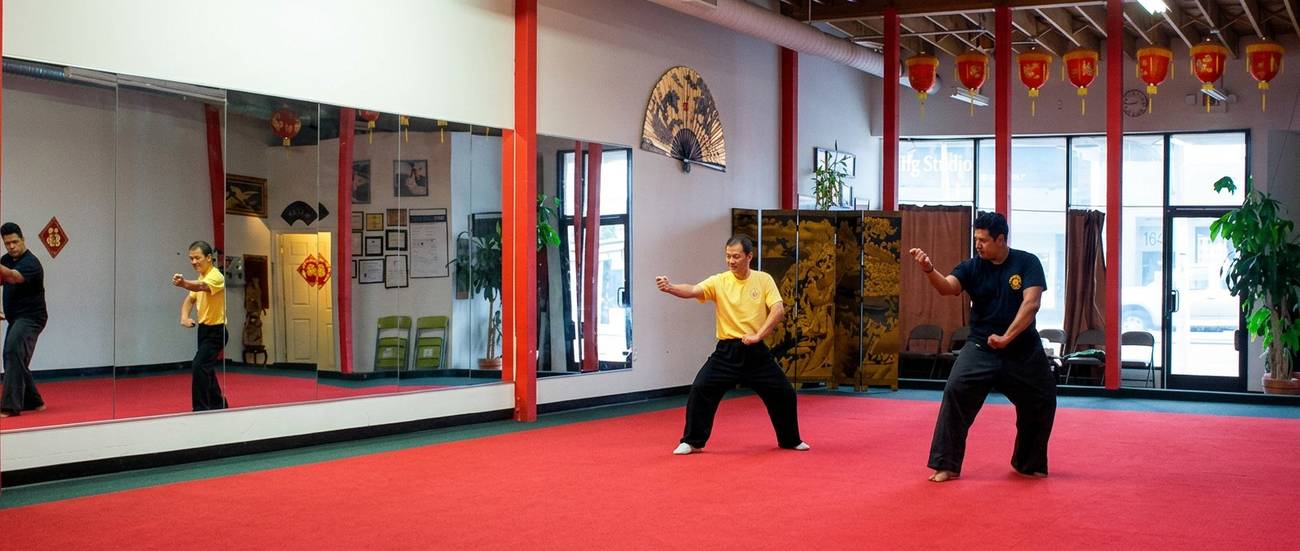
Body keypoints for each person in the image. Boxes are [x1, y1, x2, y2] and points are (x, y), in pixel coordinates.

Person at [909, 212, 1056, 482]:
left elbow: (1031, 304)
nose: (978, 245)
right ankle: (947, 464)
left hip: (1022, 347)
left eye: (983, 240)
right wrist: (930, 270)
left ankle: (1028, 462)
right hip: (980, 346)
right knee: (955, 392)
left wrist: (1007, 337)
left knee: (1042, 399)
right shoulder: (972, 266)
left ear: (1001, 239)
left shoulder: (1027, 262)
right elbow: (948, 288)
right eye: (976, 239)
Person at [656, 234, 809, 455]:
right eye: (728, 256)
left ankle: (790, 440)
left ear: (749, 256)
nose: (731, 261)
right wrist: (670, 287)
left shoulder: (763, 279)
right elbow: (692, 290)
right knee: (701, 388)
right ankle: (693, 441)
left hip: (756, 352)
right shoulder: (719, 281)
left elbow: (778, 310)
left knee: (784, 393)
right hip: (726, 352)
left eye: (736, 256)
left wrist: (758, 335)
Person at [172, 240, 229, 411]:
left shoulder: (216, 276)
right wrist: (184, 317)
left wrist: (183, 283)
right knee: (206, 369)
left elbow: (201, 287)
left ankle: (200, 409)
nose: (194, 262)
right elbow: (190, 299)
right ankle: (219, 405)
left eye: (197, 258)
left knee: (199, 366)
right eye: (191, 258)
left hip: (217, 332)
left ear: (209, 258)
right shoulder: (201, 276)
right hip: (204, 331)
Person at [0, 223, 48, 418]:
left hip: (32, 318)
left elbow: (12, 277)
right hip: (16, 318)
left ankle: (10, 407)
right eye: (7, 243)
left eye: (14, 242)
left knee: (12, 352)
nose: (11, 246)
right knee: (14, 356)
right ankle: (35, 402)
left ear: (23, 239)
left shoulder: (31, 263)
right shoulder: (5, 259)